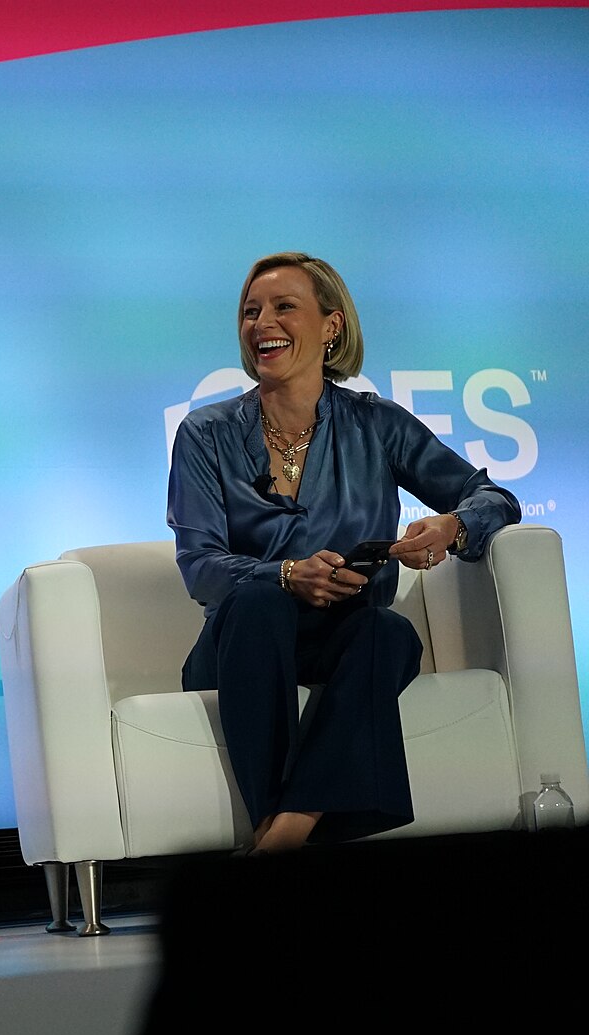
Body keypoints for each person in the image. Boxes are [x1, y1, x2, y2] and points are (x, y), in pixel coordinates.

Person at [167, 252, 520, 853]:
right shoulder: (206, 433)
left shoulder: (376, 425)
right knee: (260, 605)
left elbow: (491, 495)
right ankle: (286, 825)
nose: (261, 324)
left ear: (331, 326)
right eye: (251, 312)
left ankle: (286, 831)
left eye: (283, 307)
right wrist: (284, 574)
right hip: (242, 646)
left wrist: (452, 527)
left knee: (389, 632)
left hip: (344, 641)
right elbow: (199, 564)